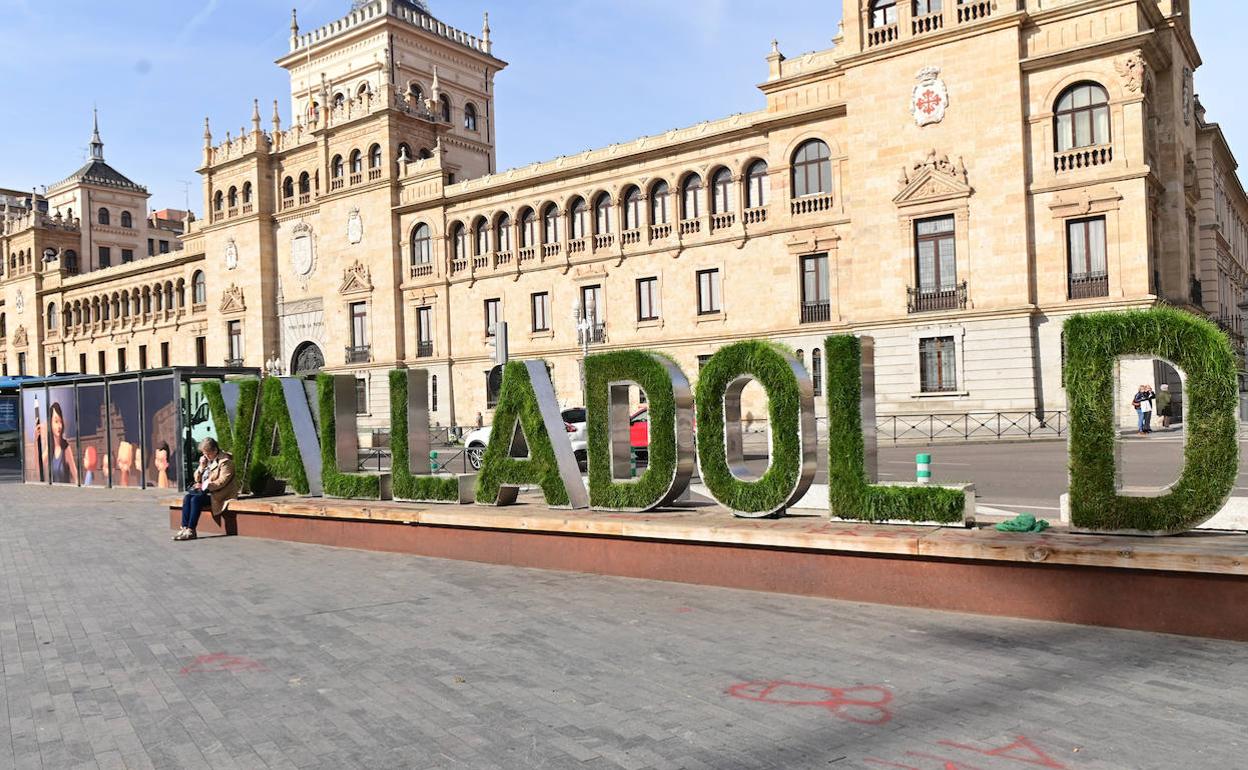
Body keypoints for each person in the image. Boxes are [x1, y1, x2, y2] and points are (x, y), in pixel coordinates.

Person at [174, 437, 238, 542]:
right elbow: (196, 478)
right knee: (187, 497)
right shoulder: (206, 461)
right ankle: (184, 528)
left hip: (220, 494)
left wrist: (205, 486)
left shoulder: (226, 462)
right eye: (204, 454)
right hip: (205, 493)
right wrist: (201, 466)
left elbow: (222, 482)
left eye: (208, 453)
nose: (206, 456)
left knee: (195, 500)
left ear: (215, 450)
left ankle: (191, 530)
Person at [36, 402, 78, 485]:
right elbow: (38, 467)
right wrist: (36, 440)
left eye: (60, 421)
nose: (59, 426)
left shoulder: (65, 447)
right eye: (56, 421)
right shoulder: (50, 448)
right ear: (50, 423)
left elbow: (76, 476)